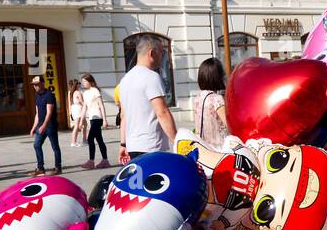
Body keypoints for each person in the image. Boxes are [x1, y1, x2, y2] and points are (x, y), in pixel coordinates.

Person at [118, 35, 177, 163]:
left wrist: (123, 144)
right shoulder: (151, 77)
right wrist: (178, 141)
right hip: (151, 145)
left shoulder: (125, 80)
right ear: (151, 53)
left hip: (133, 145)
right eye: (161, 52)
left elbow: (124, 115)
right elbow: (162, 112)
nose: (162, 57)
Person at [28, 76, 62, 175]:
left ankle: (58, 167)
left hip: (50, 125)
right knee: (36, 145)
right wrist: (33, 127)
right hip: (40, 125)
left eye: (37, 84)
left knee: (55, 146)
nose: (35, 86)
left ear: (43, 83)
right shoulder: (37, 96)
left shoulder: (49, 95)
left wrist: (44, 125)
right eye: (34, 85)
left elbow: (49, 112)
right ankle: (40, 168)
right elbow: (37, 114)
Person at [191, 57, 228, 148]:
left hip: (202, 146)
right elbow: (229, 124)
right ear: (217, 77)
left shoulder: (197, 98)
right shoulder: (217, 99)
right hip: (218, 148)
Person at [79, 74, 110, 169]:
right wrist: (81, 120)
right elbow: (84, 107)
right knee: (99, 140)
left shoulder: (95, 91)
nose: (83, 83)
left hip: (98, 118)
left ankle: (91, 161)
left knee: (90, 139)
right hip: (92, 119)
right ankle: (105, 161)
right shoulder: (85, 93)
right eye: (82, 81)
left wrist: (105, 120)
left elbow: (101, 105)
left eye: (85, 81)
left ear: (90, 81)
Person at [68, 80, 86, 147]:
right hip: (78, 109)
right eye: (79, 83)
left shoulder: (71, 92)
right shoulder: (77, 92)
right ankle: (73, 142)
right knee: (77, 126)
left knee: (85, 124)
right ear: (76, 85)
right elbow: (81, 101)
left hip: (75, 108)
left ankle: (84, 140)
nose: (80, 84)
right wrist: (87, 106)